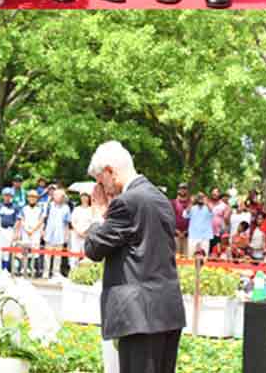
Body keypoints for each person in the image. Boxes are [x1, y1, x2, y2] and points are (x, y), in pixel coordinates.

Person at [84, 141, 184, 373]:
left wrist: (99, 213)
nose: (102, 189)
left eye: (101, 181)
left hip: (139, 315)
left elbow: (94, 248)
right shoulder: (160, 198)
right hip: (166, 310)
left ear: (110, 171)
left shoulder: (126, 202)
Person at [43, 187, 72, 277]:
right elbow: (44, 219)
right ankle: (46, 272)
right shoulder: (49, 205)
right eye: (55, 195)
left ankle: (56, 272)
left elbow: (67, 223)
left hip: (60, 235)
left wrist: (67, 235)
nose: (56, 196)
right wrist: (42, 230)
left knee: (58, 256)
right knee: (47, 255)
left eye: (58, 195)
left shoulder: (66, 208)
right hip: (49, 233)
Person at [18, 189, 45, 277]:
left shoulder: (40, 209)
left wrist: (33, 230)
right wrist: (27, 229)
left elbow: (41, 221)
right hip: (25, 232)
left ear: (37, 198)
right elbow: (22, 220)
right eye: (30, 197)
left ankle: (34, 269)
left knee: (35, 251)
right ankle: (24, 268)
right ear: (27, 198)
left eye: (34, 197)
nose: (32, 198)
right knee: (25, 251)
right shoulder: (24, 208)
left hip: (35, 232)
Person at [0, 188, 20, 271]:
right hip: (0, 229)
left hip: (10, 230)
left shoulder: (15, 207)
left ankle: (5, 269)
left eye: (9, 195)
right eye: (6, 195)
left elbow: (18, 220)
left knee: (7, 250)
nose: (7, 197)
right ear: (3, 196)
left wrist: (16, 232)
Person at [69, 191, 95, 269]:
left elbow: (93, 222)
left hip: (87, 235)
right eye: (82, 196)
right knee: (74, 253)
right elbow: (72, 222)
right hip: (76, 234)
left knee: (86, 254)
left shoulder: (91, 209)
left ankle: (86, 272)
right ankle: (73, 270)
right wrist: (78, 231)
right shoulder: (76, 209)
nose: (84, 198)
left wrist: (85, 232)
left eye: (86, 196)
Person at [186, 192, 213, 257]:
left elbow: (212, 212)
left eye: (202, 197)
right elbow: (185, 214)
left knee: (204, 257)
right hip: (193, 236)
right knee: (190, 256)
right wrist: (191, 202)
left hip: (205, 237)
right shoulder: (192, 208)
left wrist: (207, 203)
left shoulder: (208, 208)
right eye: (199, 197)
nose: (200, 198)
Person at [170, 183, 191, 257]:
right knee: (175, 258)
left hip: (188, 235)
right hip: (176, 234)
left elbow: (193, 219)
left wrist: (186, 231)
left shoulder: (191, 203)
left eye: (185, 188)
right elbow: (169, 218)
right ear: (178, 190)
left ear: (187, 191)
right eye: (181, 188)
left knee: (187, 258)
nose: (183, 190)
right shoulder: (172, 202)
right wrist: (176, 231)